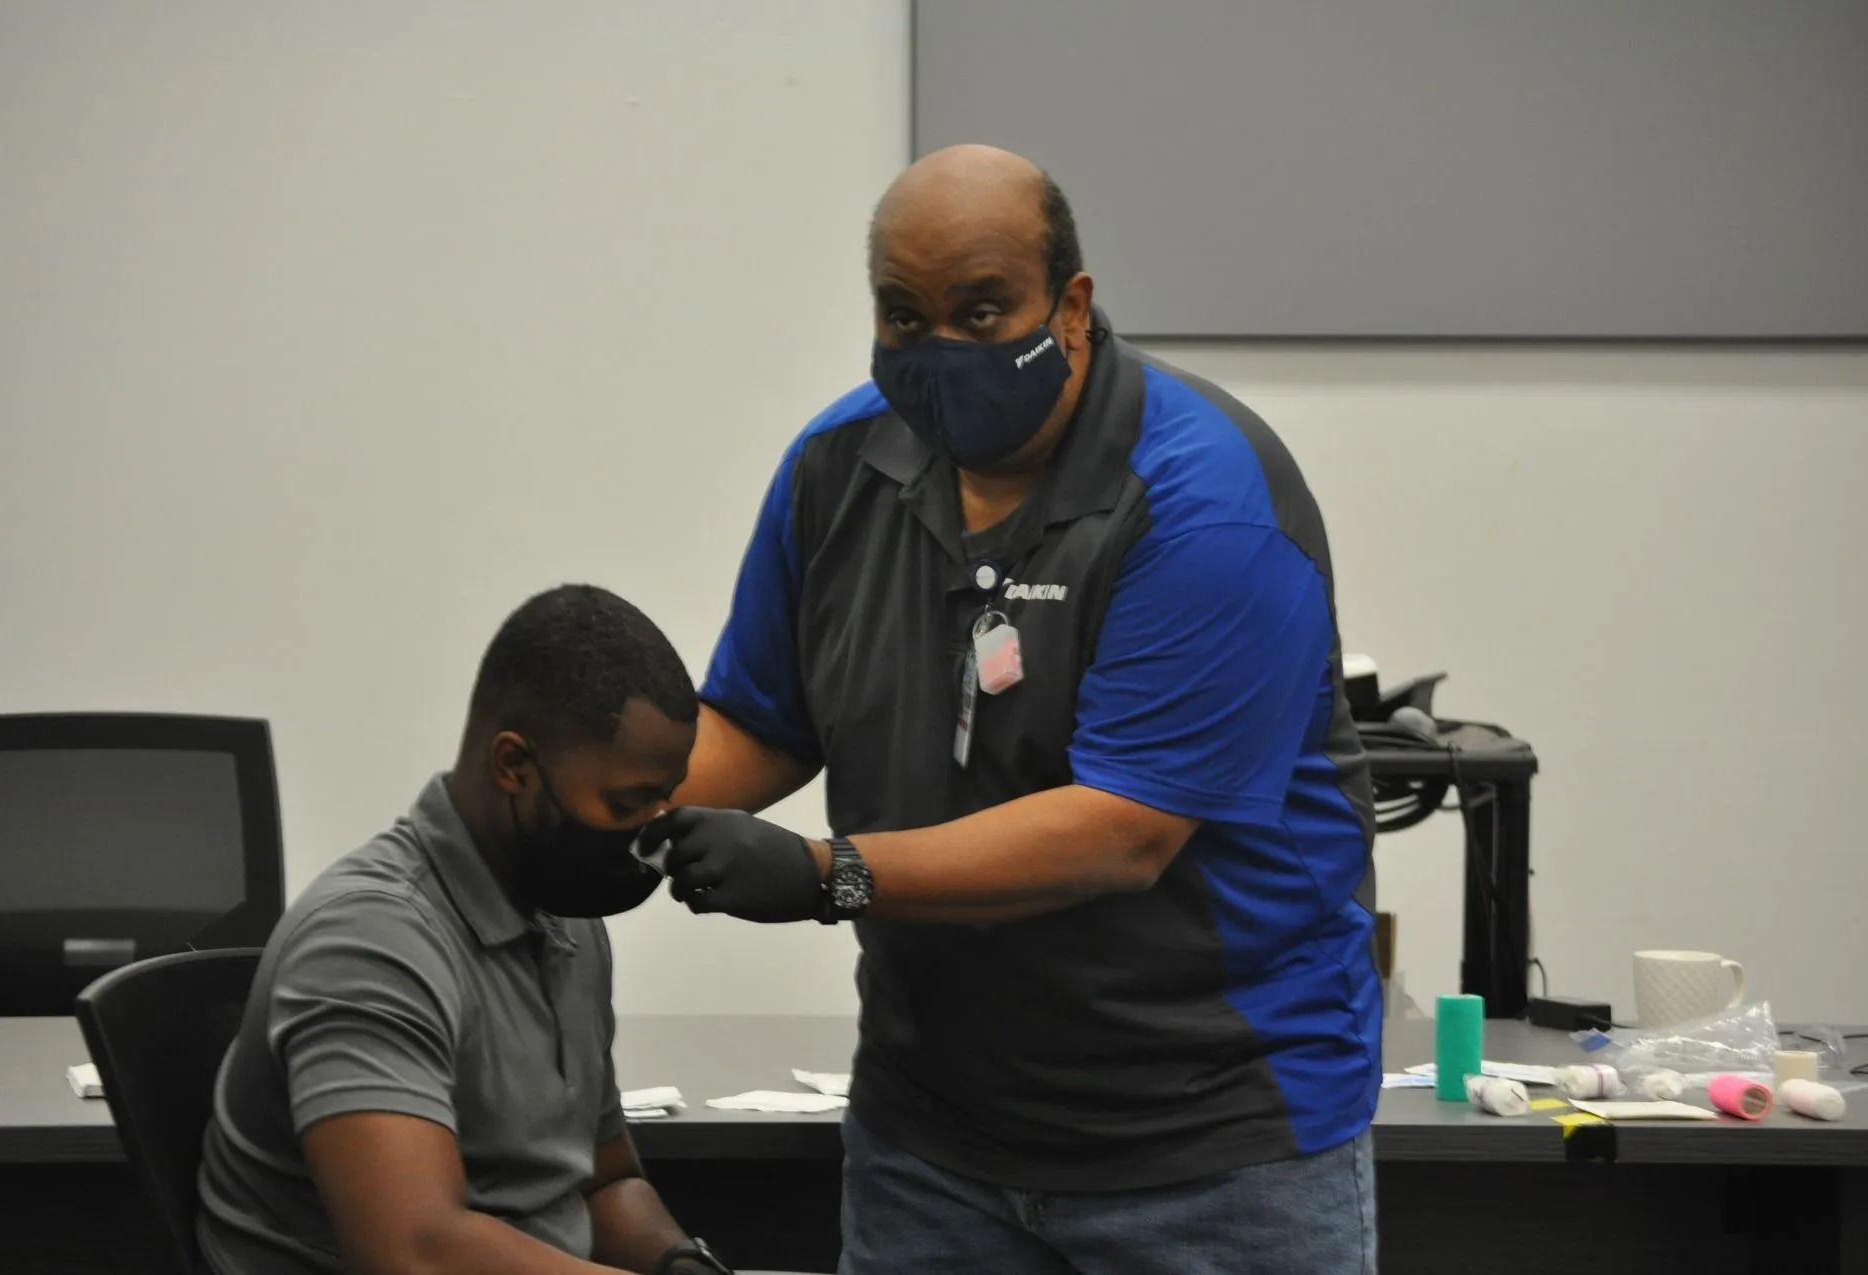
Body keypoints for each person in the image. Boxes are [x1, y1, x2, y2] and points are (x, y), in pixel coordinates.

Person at [647, 145, 1381, 1274]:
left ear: (1072, 308)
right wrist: (580, 809)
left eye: (982, 313)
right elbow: (759, 721)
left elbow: (1124, 831)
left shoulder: (1205, 502)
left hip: (1212, 1157)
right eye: (904, 317)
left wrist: (824, 873)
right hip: (928, 1149)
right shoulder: (838, 467)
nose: (940, 351)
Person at [198, 585, 733, 1275]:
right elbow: (416, 1251)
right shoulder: (369, 942)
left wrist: (679, 1265)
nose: (651, 832)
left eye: (666, 797)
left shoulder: (565, 912)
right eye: (627, 802)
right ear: (513, 764)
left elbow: (602, 1183)